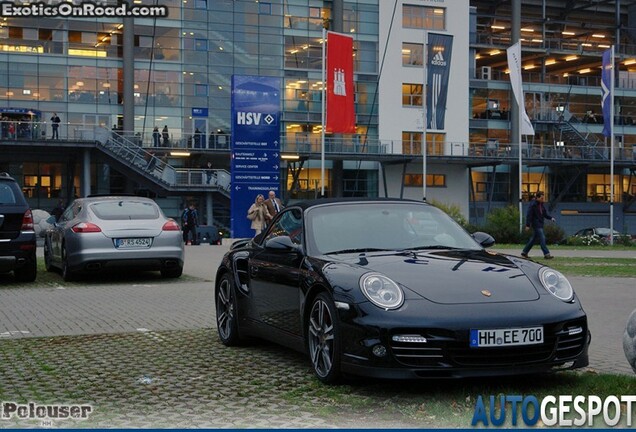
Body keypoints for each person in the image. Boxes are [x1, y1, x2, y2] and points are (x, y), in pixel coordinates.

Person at [521, 191, 556, 259]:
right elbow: (529, 215)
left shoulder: (541, 205)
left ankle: (524, 252)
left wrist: (551, 218)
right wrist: (528, 225)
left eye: (543, 198)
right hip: (536, 224)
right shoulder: (533, 205)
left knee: (533, 239)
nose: (543, 199)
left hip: (540, 223)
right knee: (542, 238)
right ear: (537, 197)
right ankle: (546, 254)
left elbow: (544, 214)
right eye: (541, 198)